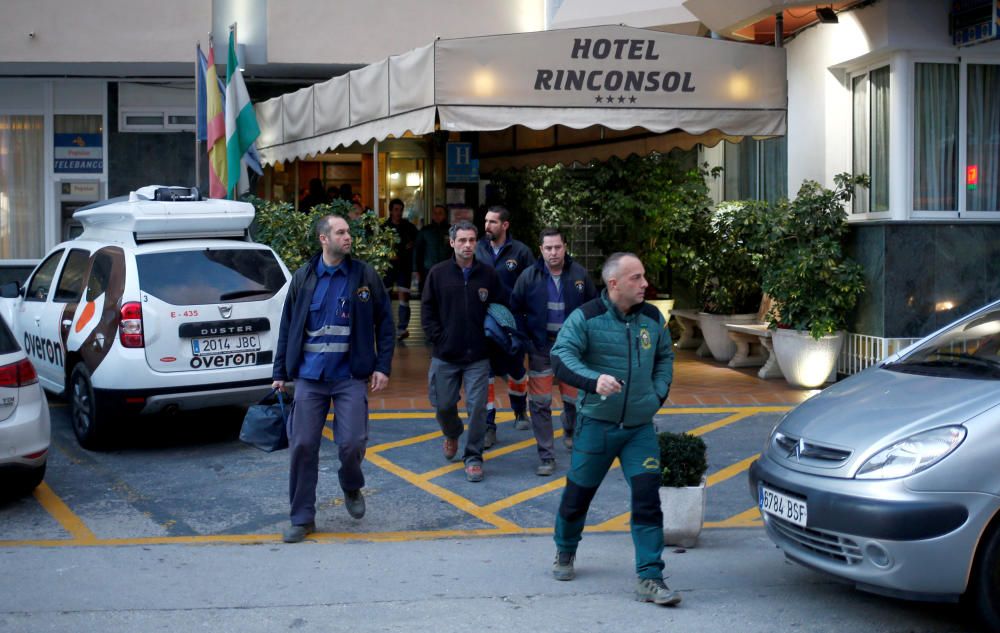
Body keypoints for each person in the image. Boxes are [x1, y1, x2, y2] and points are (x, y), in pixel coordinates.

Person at [549, 252, 681, 607]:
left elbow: (665, 357)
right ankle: (565, 549)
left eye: (643, 277)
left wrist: (654, 396)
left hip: (639, 429)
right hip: (597, 425)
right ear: (614, 284)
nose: (644, 284)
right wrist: (594, 381)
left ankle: (650, 577)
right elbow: (561, 357)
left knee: (647, 501)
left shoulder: (652, 317)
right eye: (636, 278)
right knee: (578, 496)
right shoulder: (587, 318)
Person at [272, 214, 395, 543]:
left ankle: (351, 484)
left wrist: (382, 366)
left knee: (353, 442)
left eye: (348, 232)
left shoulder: (363, 276)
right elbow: (288, 327)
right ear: (323, 239)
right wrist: (280, 372)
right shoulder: (304, 277)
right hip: (310, 378)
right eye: (340, 232)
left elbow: (385, 322)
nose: (348, 237)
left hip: (349, 377)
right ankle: (302, 517)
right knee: (302, 445)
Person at [421, 220, 507, 482]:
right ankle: (452, 432)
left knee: (478, 408)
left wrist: (494, 341)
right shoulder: (437, 274)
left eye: (471, 240)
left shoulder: (488, 274)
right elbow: (427, 311)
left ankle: (473, 457)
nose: (467, 245)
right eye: (462, 240)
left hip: (478, 357)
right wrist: (440, 338)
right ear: (452, 243)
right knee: (443, 405)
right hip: (445, 355)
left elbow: (500, 309)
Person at [510, 228, 596, 476]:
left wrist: (586, 340)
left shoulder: (579, 275)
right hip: (540, 347)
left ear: (565, 247)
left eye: (557, 247)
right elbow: (515, 308)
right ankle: (546, 456)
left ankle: (569, 430)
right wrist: (525, 339)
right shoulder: (529, 276)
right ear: (541, 250)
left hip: (572, 349)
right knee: (539, 404)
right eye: (548, 248)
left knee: (574, 400)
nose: (553, 252)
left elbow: (593, 307)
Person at [474, 205, 533, 448]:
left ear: (505, 225)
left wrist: (528, 322)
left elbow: (532, 286)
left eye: (493, 222)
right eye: (486, 221)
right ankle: (489, 425)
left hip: (513, 323)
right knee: (485, 373)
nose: (487, 226)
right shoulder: (477, 248)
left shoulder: (521, 252)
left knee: (516, 371)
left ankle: (520, 410)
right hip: (483, 320)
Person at [384, 198, 418, 341]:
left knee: (404, 297)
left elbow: (417, 244)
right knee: (385, 298)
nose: (398, 212)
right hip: (388, 268)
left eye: (400, 210)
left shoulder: (409, 227)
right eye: (396, 209)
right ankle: (385, 328)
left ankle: (402, 328)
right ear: (390, 210)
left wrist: (411, 247)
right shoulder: (384, 227)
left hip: (404, 267)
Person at [413, 204, 451, 295]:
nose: (437, 215)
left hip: (447, 270)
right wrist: (415, 270)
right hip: (428, 270)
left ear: (445, 215)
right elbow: (417, 251)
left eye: (440, 213)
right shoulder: (425, 230)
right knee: (428, 296)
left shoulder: (451, 230)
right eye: (435, 213)